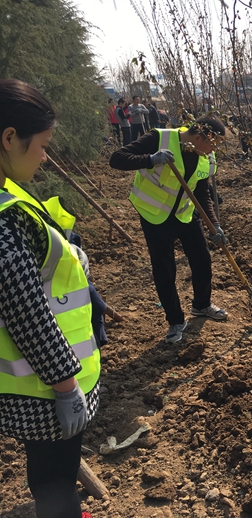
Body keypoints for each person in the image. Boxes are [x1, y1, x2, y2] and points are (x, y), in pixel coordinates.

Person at [0, 79, 99, 518]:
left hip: (31, 383)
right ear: (8, 138)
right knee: (54, 480)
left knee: (47, 473)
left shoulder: (9, 193)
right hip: (40, 388)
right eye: (41, 145)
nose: (45, 156)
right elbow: (26, 311)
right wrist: (66, 387)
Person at [109, 116, 229, 344]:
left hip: (184, 212)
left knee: (202, 258)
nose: (214, 150)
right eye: (213, 144)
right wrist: (150, 159)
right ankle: (175, 320)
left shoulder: (206, 155)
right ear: (198, 137)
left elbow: (201, 190)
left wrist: (214, 224)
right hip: (155, 215)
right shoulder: (160, 138)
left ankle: (201, 305)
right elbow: (117, 159)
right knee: (165, 269)